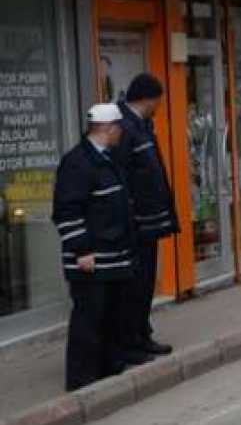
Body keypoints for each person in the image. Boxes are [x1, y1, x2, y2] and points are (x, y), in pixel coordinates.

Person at [52, 104, 135, 391]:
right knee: (89, 320)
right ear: (107, 128)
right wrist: (81, 250)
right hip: (92, 258)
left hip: (112, 255)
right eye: (118, 127)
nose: (121, 132)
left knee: (110, 317)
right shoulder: (78, 163)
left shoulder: (106, 158)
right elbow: (66, 211)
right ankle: (82, 381)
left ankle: (108, 372)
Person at [113, 74, 179, 360]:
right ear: (148, 99)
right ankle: (131, 343)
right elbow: (121, 177)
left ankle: (142, 335)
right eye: (158, 100)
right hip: (135, 225)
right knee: (135, 285)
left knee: (145, 282)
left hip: (147, 223)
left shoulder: (140, 126)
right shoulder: (125, 128)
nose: (159, 106)